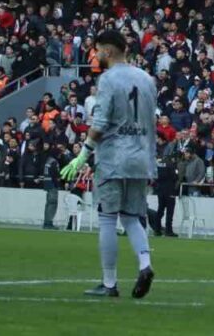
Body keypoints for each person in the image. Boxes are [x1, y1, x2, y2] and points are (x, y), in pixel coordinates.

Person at [59, 29, 157, 299]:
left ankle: (109, 283)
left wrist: (83, 155)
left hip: (114, 157)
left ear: (109, 50)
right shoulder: (147, 79)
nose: (95, 55)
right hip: (141, 157)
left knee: (107, 217)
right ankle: (145, 264)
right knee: (132, 216)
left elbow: (100, 123)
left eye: (98, 50)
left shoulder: (109, 79)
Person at [41, 143, 61, 230]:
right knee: (52, 204)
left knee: (48, 204)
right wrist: (57, 183)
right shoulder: (54, 162)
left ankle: (46, 222)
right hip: (53, 185)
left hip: (47, 185)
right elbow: (55, 175)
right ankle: (49, 223)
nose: (60, 155)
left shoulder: (48, 161)